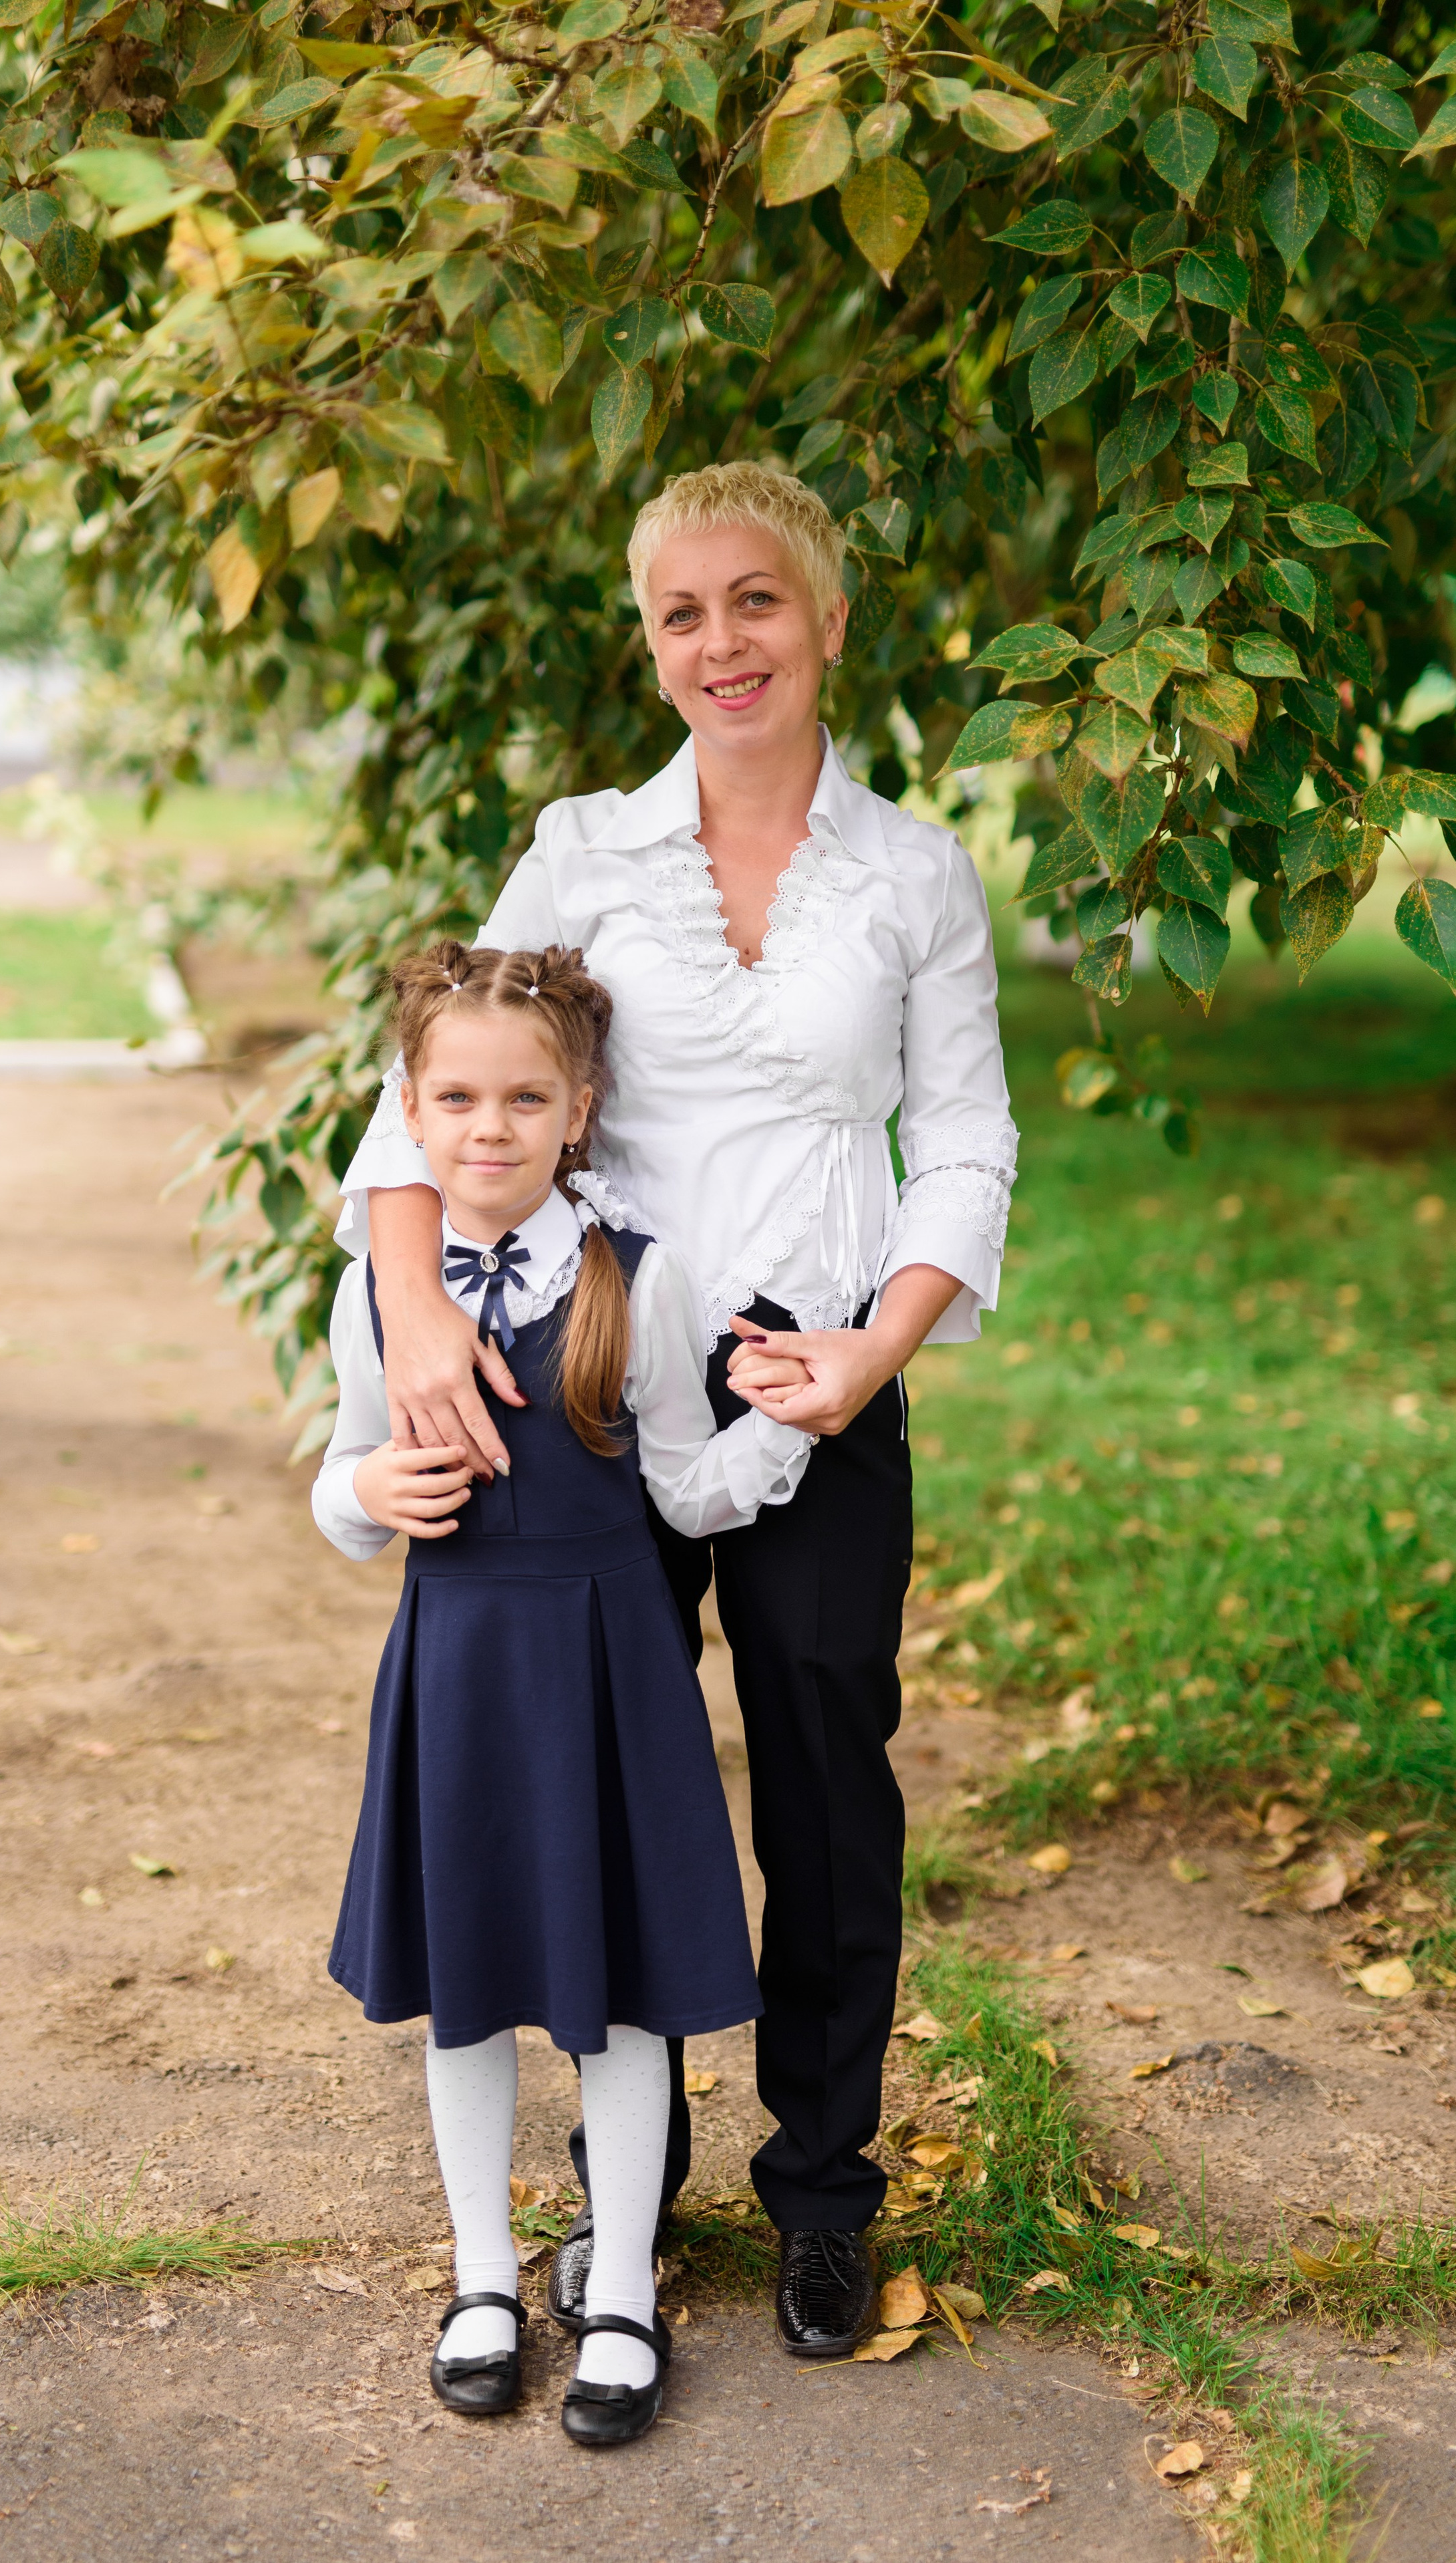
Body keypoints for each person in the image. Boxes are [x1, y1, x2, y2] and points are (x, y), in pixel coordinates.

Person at [335, 460, 1019, 2357]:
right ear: (652, 648)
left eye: (756, 602)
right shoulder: (582, 852)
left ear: (826, 618)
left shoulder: (914, 873)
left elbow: (964, 1132)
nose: (723, 643)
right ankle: (619, 2210)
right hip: (583, 1389)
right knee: (589, 1799)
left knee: (823, 1786)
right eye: (681, 615)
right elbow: (428, 1104)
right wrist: (410, 1318)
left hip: (813, 1382)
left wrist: (876, 1349)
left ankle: (818, 2193)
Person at [312, 939, 813, 2444]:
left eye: (524, 1099)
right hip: (456, 1670)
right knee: (464, 1993)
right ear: (410, 1109)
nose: (488, 1128)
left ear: (578, 1108)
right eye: (454, 1097)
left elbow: (681, 1481)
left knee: (619, 2002)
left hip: (607, 1674)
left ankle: (622, 2297)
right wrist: (371, 1486)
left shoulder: (636, 1279)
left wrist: (782, 1436)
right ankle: (478, 2276)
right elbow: (336, 1486)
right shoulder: (378, 1301)